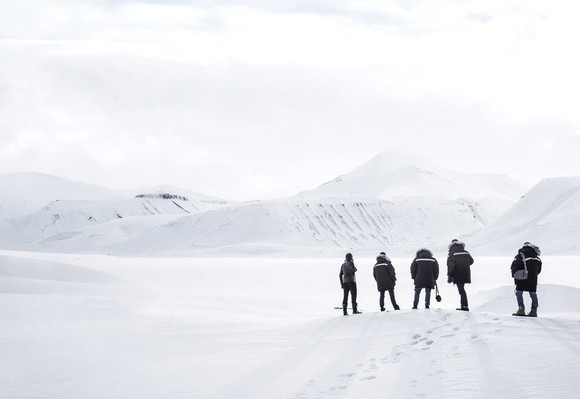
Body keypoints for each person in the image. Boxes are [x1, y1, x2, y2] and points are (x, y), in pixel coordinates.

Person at [511, 242, 542, 317]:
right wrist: (533, 275)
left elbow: (514, 266)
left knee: (519, 292)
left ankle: (521, 309)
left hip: (522, 277)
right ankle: (534, 310)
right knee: (533, 294)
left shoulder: (520, 255)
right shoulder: (537, 258)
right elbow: (539, 270)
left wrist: (515, 274)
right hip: (533, 279)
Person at [447, 239, 474, 311]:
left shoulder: (452, 253)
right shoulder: (466, 252)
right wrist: (465, 265)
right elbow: (471, 261)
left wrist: (449, 275)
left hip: (457, 274)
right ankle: (463, 305)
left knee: (461, 290)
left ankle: (465, 306)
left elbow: (451, 266)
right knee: (461, 289)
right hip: (465, 273)